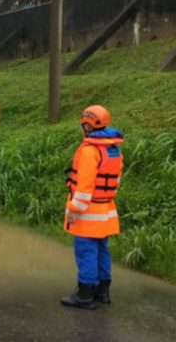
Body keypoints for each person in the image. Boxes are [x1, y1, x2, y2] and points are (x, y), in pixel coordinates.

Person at [60, 105, 124, 310]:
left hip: (87, 212)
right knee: (102, 251)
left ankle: (85, 294)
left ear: (88, 125)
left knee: (86, 252)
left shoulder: (89, 150)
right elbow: (116, 181)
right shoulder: (113, 148)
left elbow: (84, 186)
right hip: (106, 211)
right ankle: (102, 292)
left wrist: (73, 208)